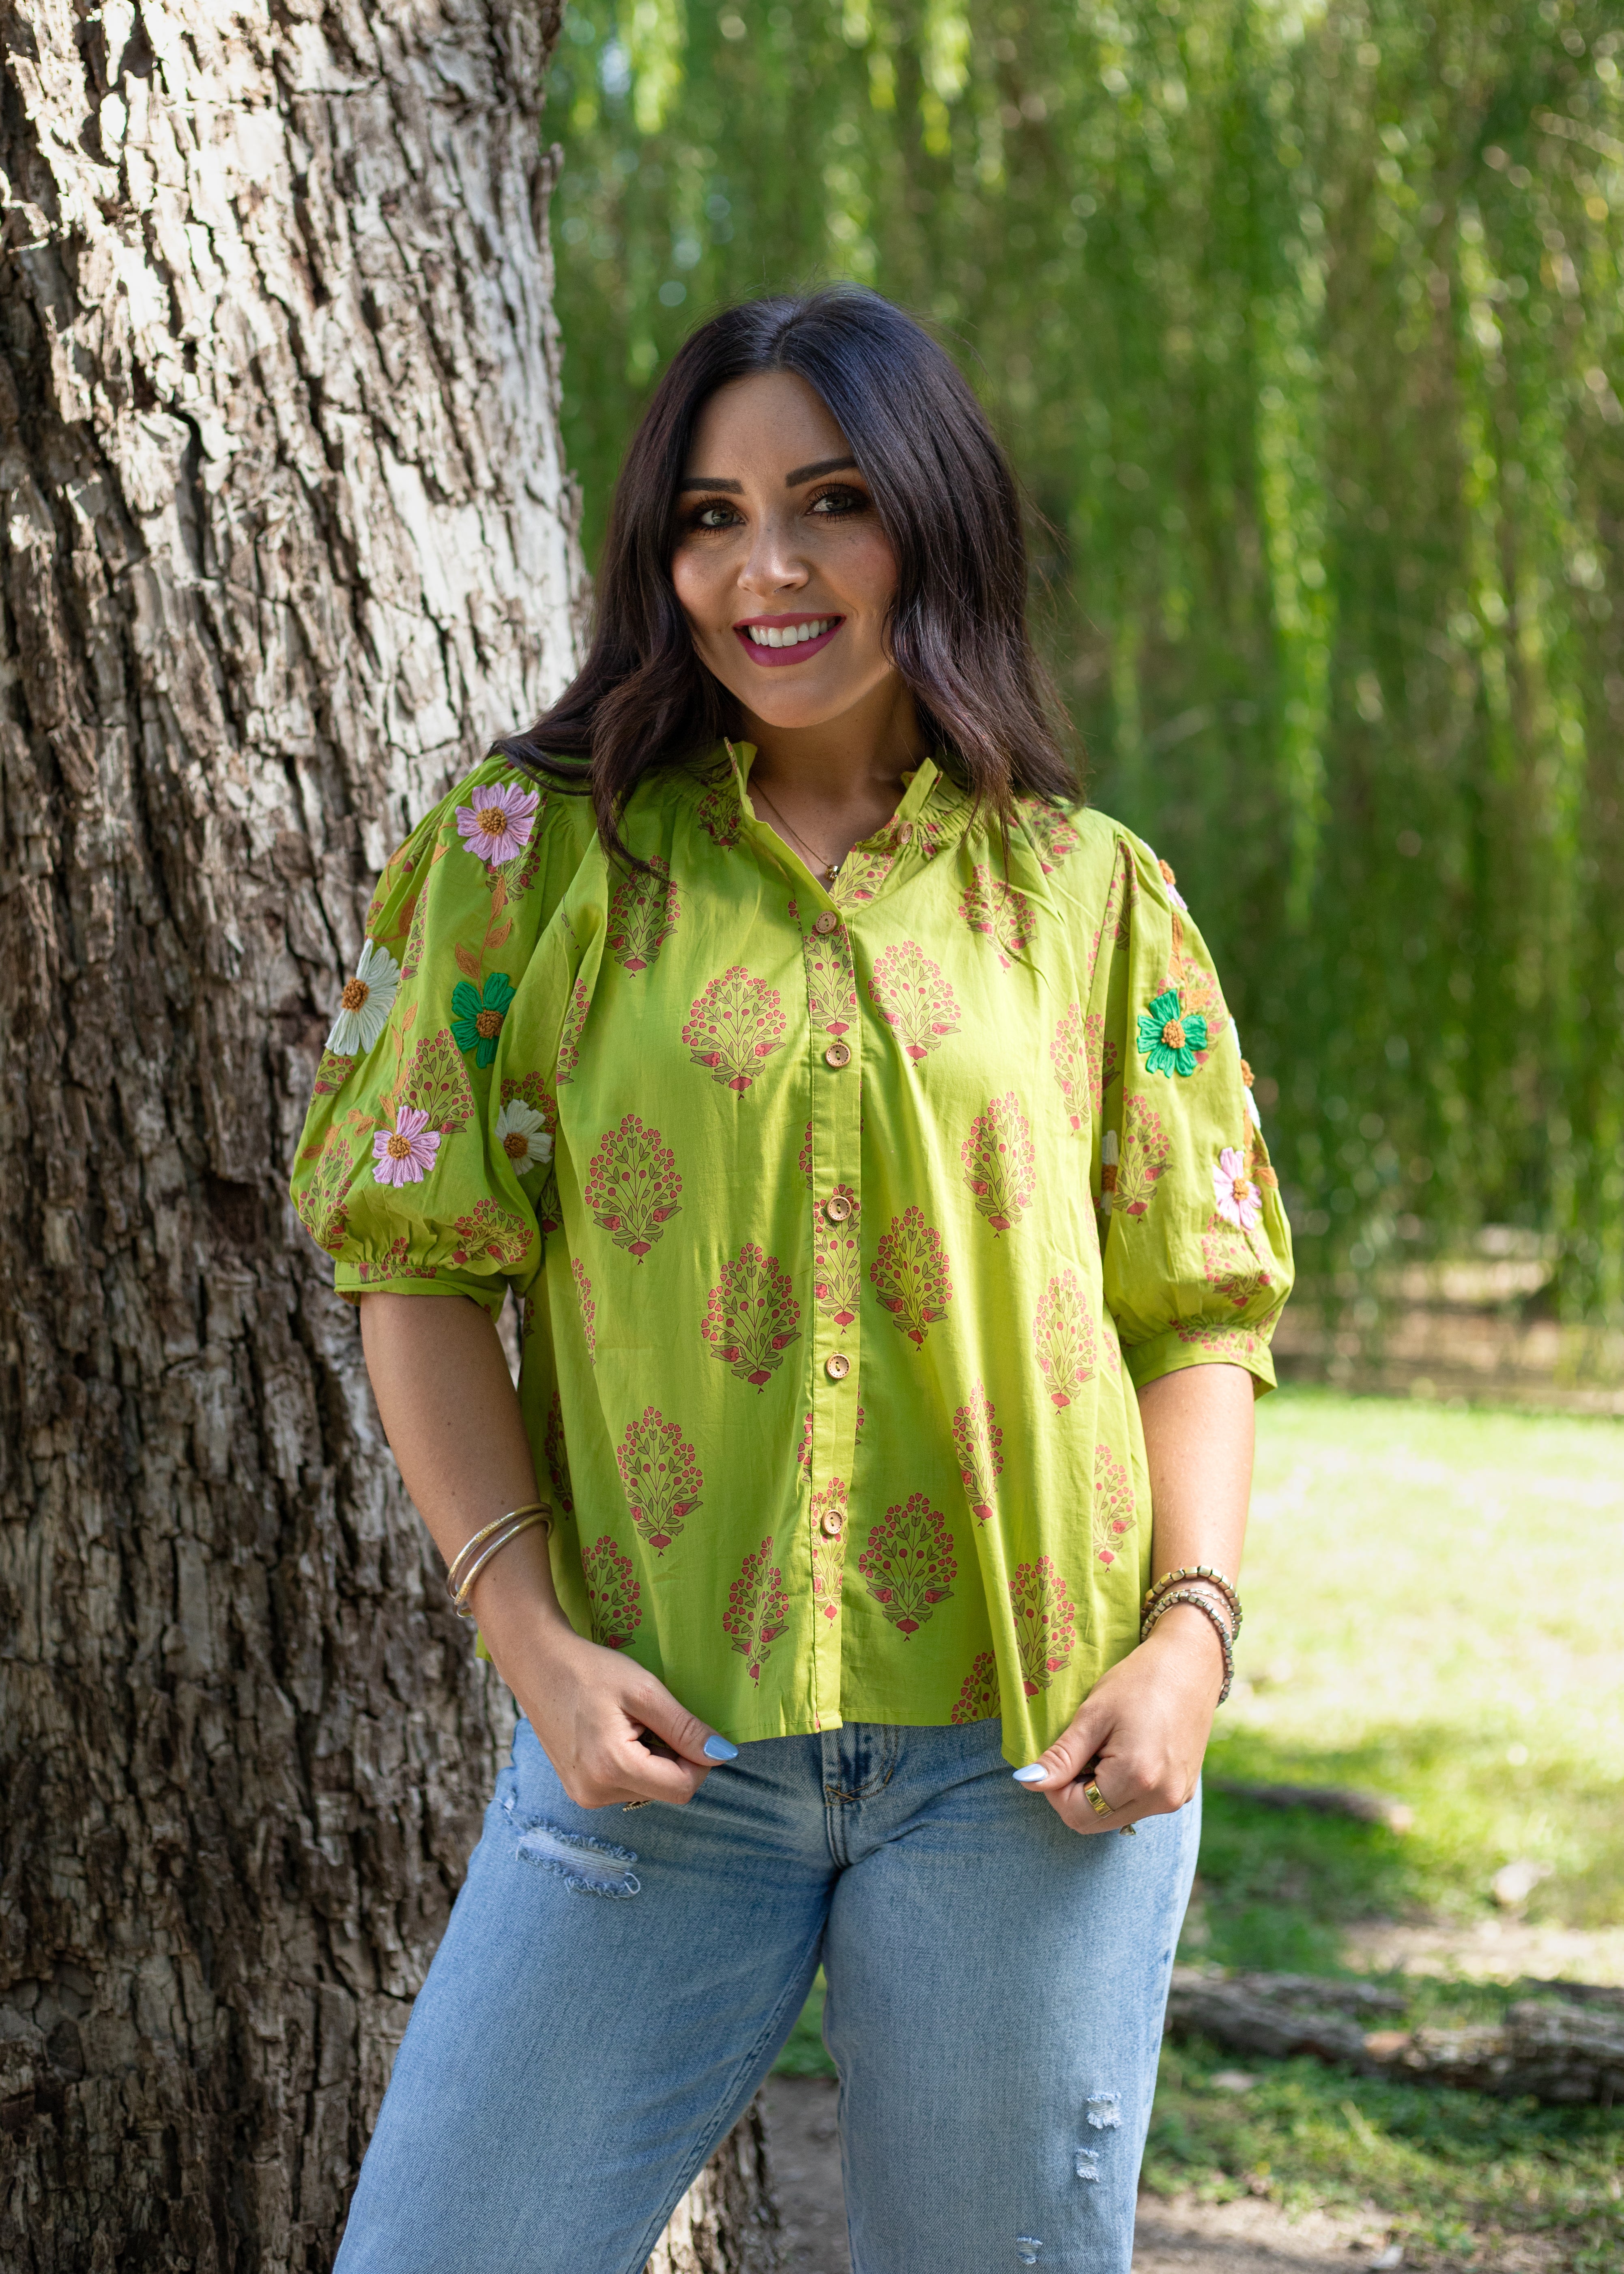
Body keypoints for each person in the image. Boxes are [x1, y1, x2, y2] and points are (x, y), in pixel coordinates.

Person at [292, 286, 1292, 2274]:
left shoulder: (1087, 894)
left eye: (827, 501)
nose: (764, 567)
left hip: (1035, 1763)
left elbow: (1195, 1303)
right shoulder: (532, 859)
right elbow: (411, 1264)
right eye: (706, 514)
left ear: (928, 518)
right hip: (655, 1747)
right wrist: (532, 1647)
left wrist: (1184, 1639)